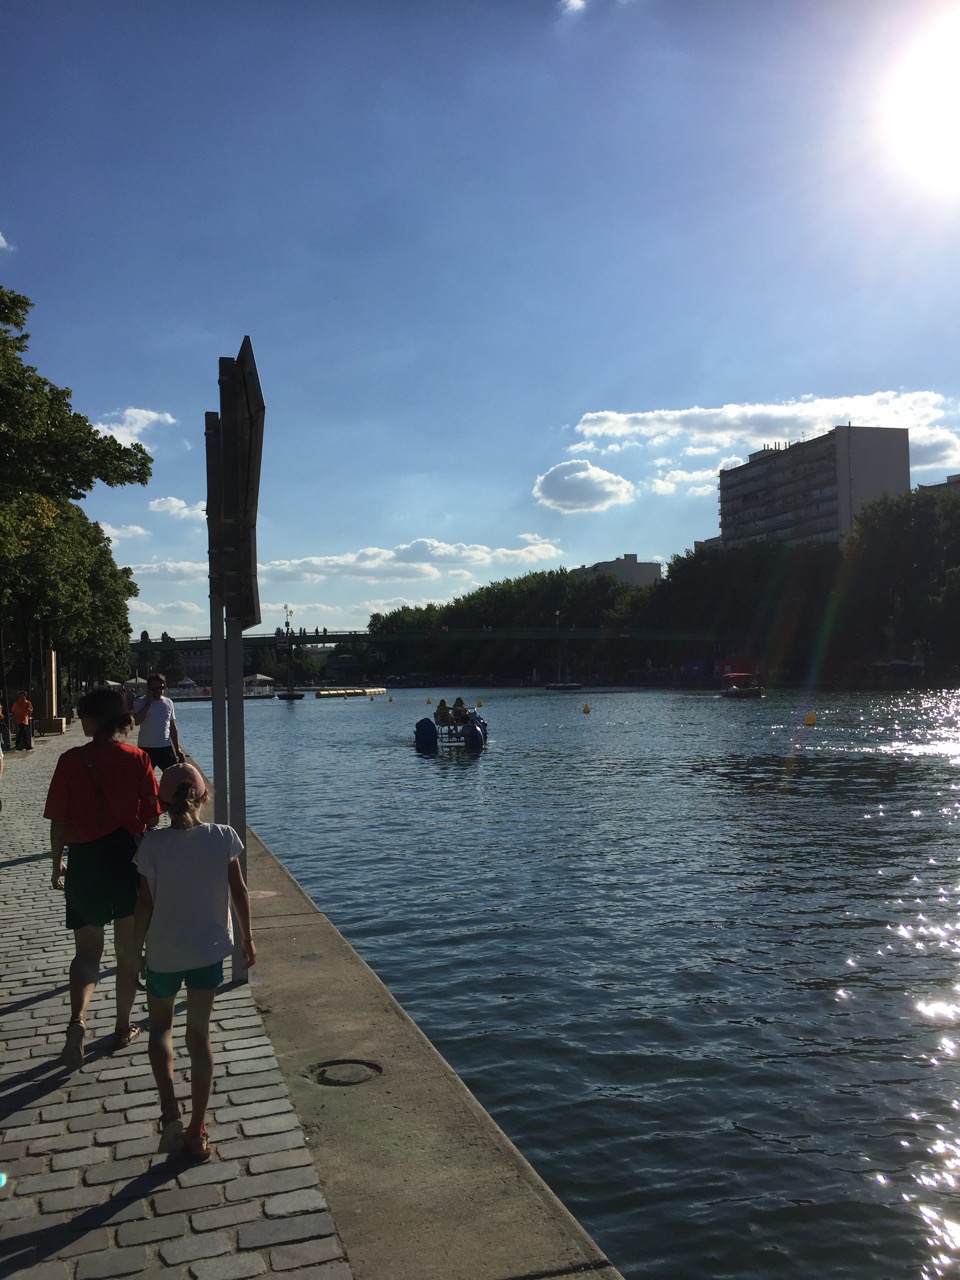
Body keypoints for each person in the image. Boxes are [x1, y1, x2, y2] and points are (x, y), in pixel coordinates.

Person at [133, 763, 256, 1161]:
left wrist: (135, 954)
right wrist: (248, 938)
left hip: (164, 955)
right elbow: (239, 891)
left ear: (162, 803)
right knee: (199, 1037)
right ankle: (196, 1130)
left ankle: (170, 1110)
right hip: (207, 954)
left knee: (160, 1030)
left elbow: (144, 906)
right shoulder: (223, 837)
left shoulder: (151, 845)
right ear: (205, 797)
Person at [45, 686, 161, 1070]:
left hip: (85, 863)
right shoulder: (139, 758)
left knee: (86, 954)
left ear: (94, 720)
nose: (80, 720)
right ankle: (123, 1026)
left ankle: (78, 1020)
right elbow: (152, 816)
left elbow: (58, 822)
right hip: (125, 861)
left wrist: (57, 863)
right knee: (127, 954)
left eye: (82, 715)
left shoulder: (70, 761)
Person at [133, 674, 185, 772]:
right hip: (146, 747)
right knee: (144, 779)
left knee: (173, 777)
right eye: (155, 688)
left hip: (165, 746)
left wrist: (177, 749)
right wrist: (149, 703)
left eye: (161, 687)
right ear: (149, 689)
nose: (159, 691)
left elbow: (172, 727)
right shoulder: (140, 702)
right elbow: (137, 721)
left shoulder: (168, 702)